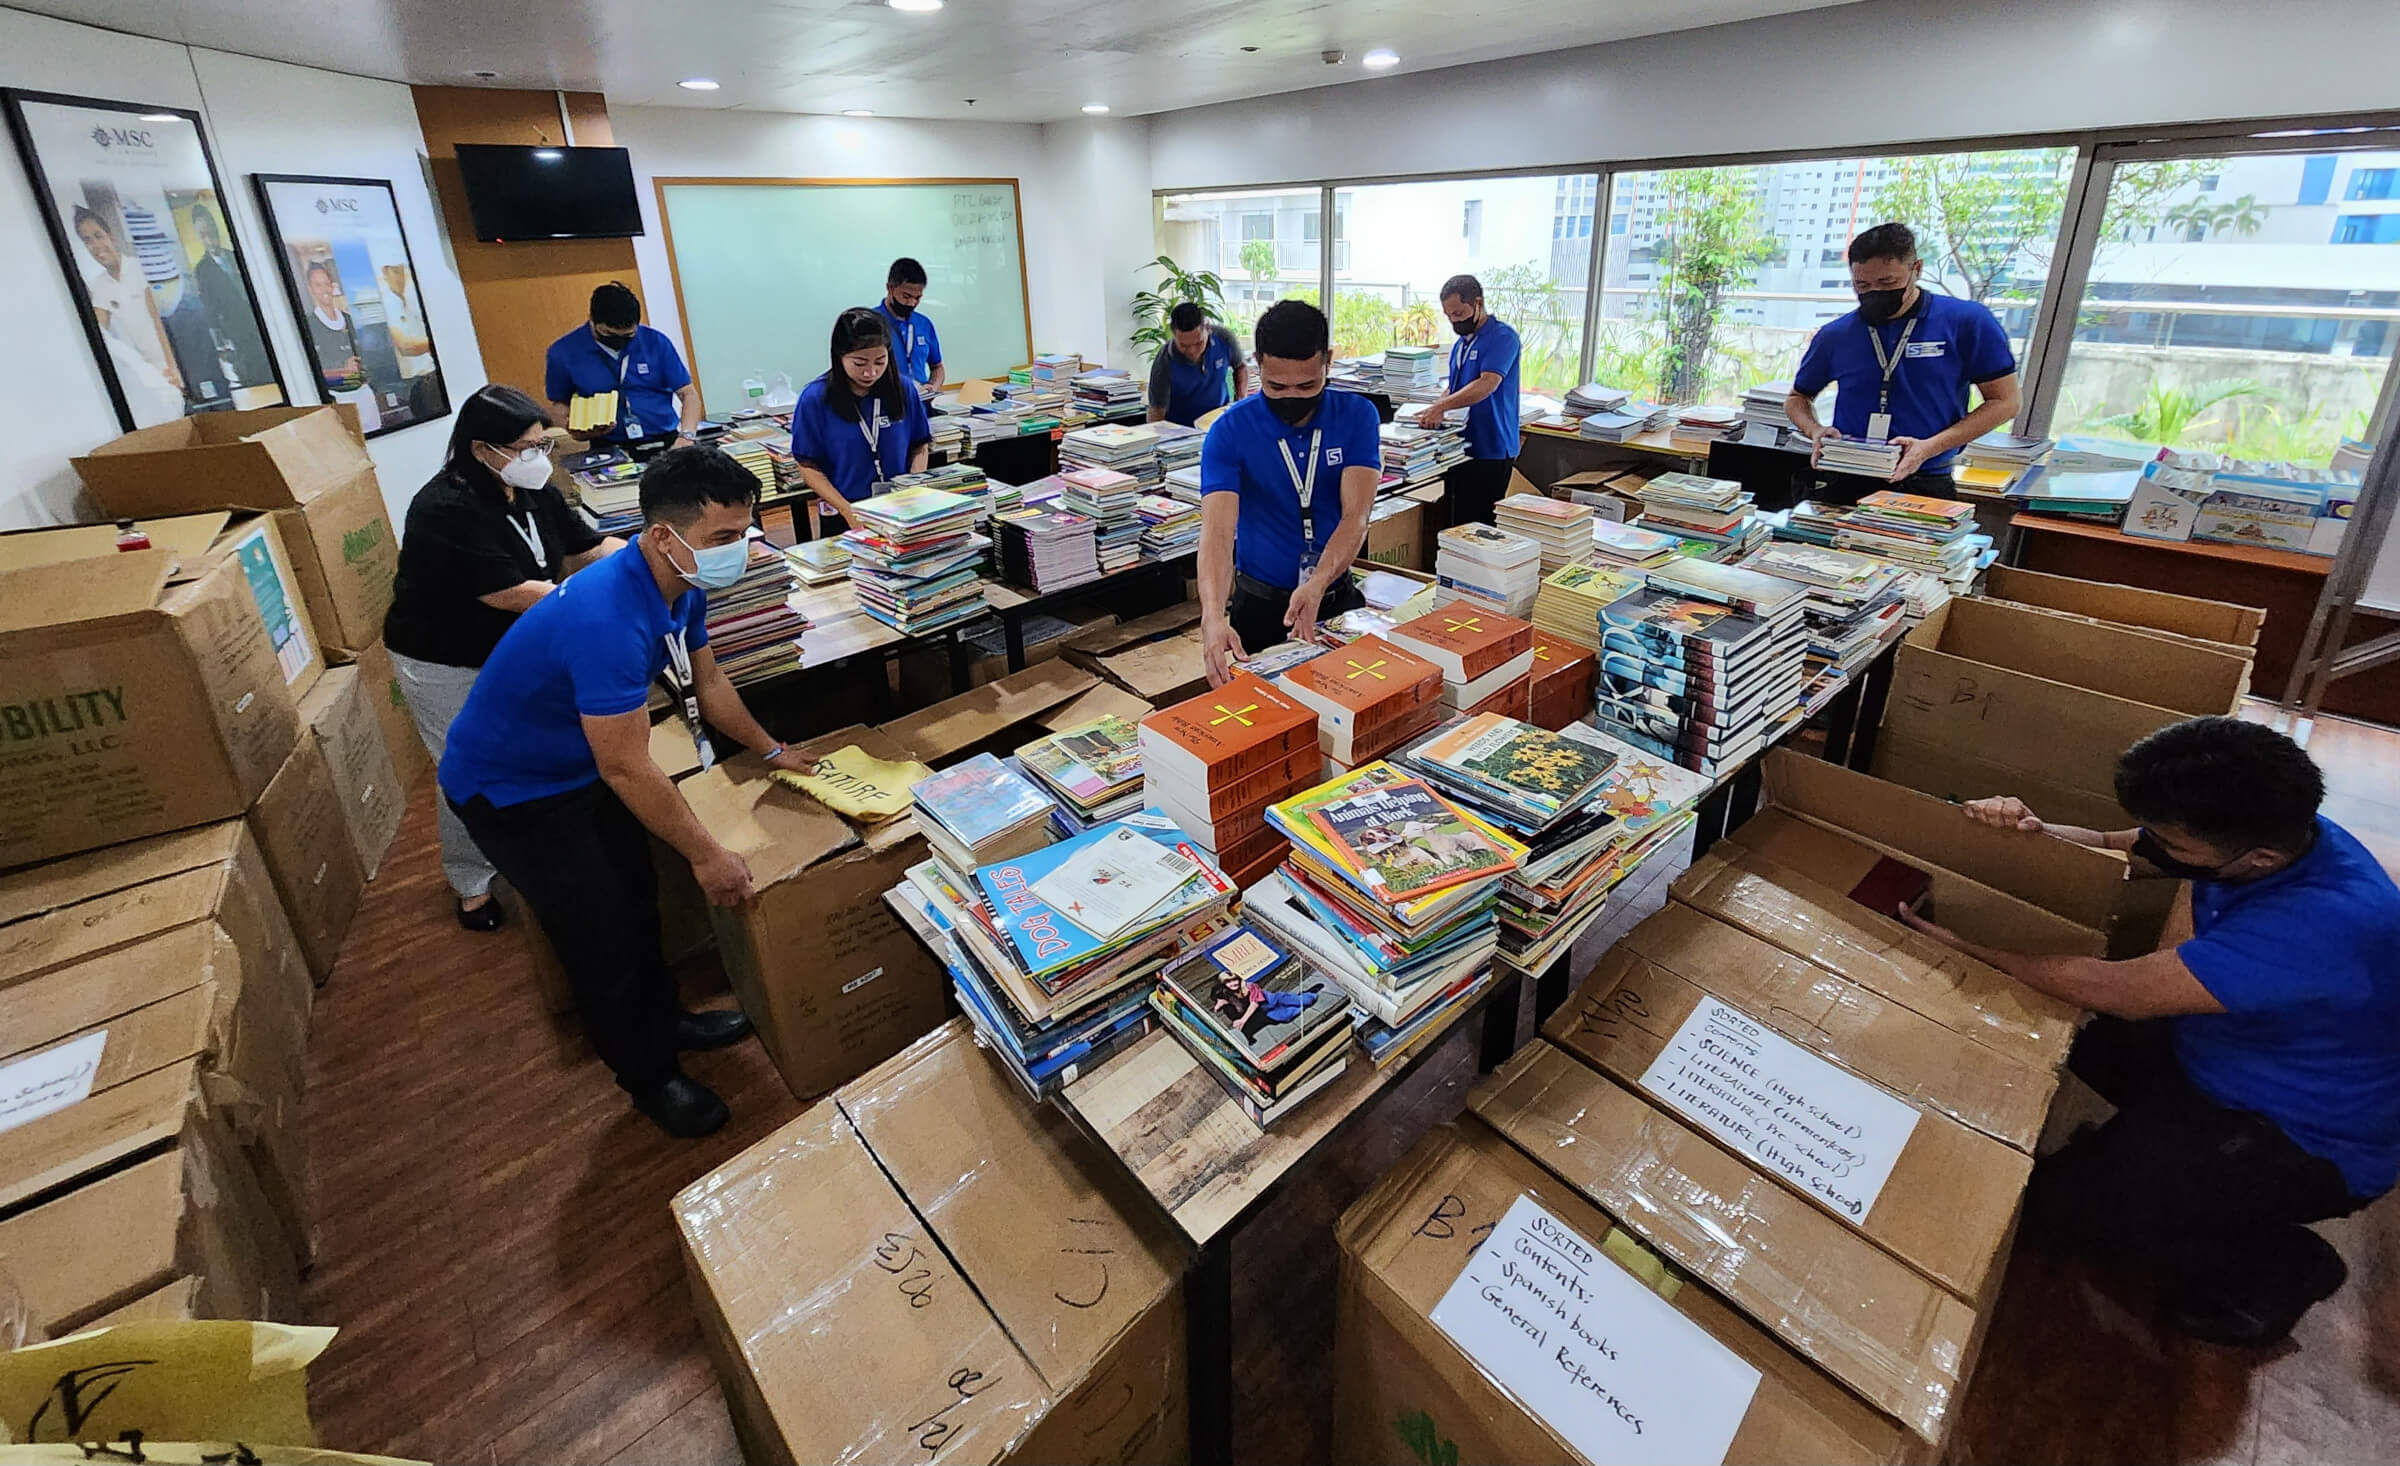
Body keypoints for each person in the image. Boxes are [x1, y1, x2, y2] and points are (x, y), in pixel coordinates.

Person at [1897, 716, 2399, 1347]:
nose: (2156, 846)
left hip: (2303, 1139)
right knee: (2072, 1042)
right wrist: (2035, 832)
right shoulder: (2267, 836)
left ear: (2259, 859)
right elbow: (2114, 846)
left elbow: (2118, 991)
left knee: (2052, 1213)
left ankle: (2284, 1266)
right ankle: (2147, 1159)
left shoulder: (2324, 925)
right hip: (2227, 1048)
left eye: (2170, 841)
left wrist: (1970, 949)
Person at [438, 444, 816, 1138]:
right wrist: (708, 855)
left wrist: (774, 750)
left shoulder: (680, 583)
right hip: (512, 790)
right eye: (724, 537)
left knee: (636, 897)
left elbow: (709, 682)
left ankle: (664, 1019)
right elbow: (626, 766)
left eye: (745, 531)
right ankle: (648, 1077)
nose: (740, 549)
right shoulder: (605, 616)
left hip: (575, 766)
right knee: (600, 934)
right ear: (664, 536)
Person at [384, 383, 621, 928]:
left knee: (526, 748)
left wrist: (644, 557)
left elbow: (587, 545)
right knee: (467, 765)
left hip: (513, 646)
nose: (539, 457)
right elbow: (509, 592)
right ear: (481, 449)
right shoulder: (444, 508)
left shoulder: (532, 489)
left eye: (543, 444)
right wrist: (601, 598)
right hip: (444, 657)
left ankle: (536, 846)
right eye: (526, 448)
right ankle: (471, 883)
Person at [1198, 299, 1378, 685]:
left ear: (1328, 361)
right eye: (1276, 386)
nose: (1291, 397)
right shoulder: (1230, 431)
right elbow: (1216, 533)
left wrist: (1318, 582)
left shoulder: (1357, 416)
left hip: (1333, 599)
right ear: (1258, 364)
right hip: (1258, 608)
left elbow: (1357, 515)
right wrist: (1212, 615)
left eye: (1307, 385)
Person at [1786, 222, 2021, 491]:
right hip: (1848, 474)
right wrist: (1815, 430)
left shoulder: (1967, 322)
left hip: (1927, 476)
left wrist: (1929, 447)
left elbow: (2005, 402)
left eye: (1888, 282)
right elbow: (1797, 398)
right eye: (1862, 285)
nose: (1875, 292)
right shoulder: (1836, 335)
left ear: (1916, 269)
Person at [788, 307, 932, 531]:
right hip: (844, 511)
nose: (870, 372)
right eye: (860, 363)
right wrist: (848, 511)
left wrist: (912, 491)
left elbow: (920, 445)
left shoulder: (903, 389)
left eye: (880, 361)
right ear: (840, 356)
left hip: (900, 507)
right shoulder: (815, 398)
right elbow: (807, 465)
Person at [1414, 274, 1521, 527]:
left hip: (1492, 447)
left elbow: (1487, 383)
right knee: (1456, 521)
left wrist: (1442, 406)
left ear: (1478, 303)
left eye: (1459, 313)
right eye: (1449, 315)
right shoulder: (1461, 345)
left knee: (1479, 525)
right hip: (1460, 447)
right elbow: (1455, 388)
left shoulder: (1502, 337)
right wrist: (1432, 409)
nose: (1454, 320)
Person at [545, 281, 700, 449]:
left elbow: (688, 394)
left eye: (628, 335)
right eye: (609, 334)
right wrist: (574, 431)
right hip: (607, 444)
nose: (619, 340)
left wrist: (687, 436)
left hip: (665, 439)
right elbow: (560, 405)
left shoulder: (655, 342)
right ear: (592, 319)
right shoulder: (563, 352)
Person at [73, 205, 184, 403]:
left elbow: (159, 321)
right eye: (87, 241)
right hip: (148, 377)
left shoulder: (140, 268)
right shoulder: (100, 286)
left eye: (98, 236)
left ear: (110, 236)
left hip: (172, 365)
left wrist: (174, 368)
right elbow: (100, 333)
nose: (96, 246)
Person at [187, 204, 274, 390]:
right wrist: (221, 341)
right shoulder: (203, 270)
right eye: (203, 235)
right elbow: (210, 308)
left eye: (211, 232)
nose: (210, 239)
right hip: (237, 334)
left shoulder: (236, 257)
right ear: (199, 237)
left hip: (261, 326)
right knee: (255, 376)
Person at [1147, 302, 1249, 426]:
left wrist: (1240, 402)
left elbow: (1240, 367)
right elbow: (1157, 410)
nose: (1192, 351)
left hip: (1219, 421)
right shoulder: (1165, 360)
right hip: (1182, 429)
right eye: (1184, 346)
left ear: (1207, 328)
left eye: (1198, 343)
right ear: (1173, 335)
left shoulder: (1223, 338)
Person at [876, 257, 944, 396]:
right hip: (887, 402)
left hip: (921, 402)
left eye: (917, 298)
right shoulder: (872, 323)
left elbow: (937, 367)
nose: (912, 303)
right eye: (906, 296)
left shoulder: (924, 324)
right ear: (890, 288)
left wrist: (932, 388)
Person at [302, 260, 366, 396]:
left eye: (327, 284)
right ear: (310, 288)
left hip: (364, 390)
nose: (324, 289)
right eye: (318, 285)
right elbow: (311, 371)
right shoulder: (309, 326)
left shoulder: (349, 320)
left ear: (332, 286)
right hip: (337, 396)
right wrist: (343, 369)